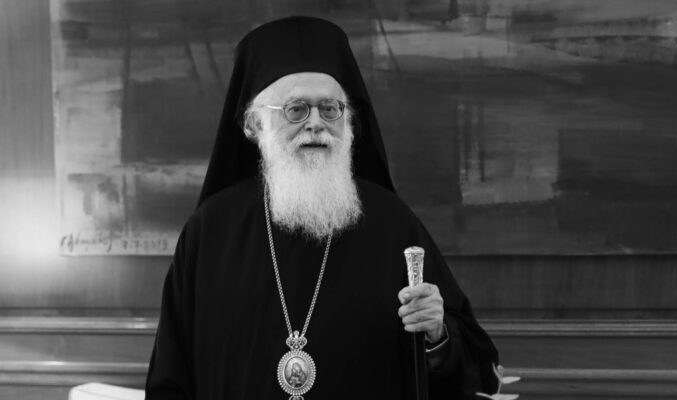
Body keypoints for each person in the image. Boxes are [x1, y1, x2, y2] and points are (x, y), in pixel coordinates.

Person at [145, 16, 498, 400]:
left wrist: (436, 335)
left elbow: (471, 365)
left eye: (330, 109)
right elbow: (170, 379)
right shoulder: (210, 233)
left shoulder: (392, 223)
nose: (316, 124)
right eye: (296, 109)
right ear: (254, 125)